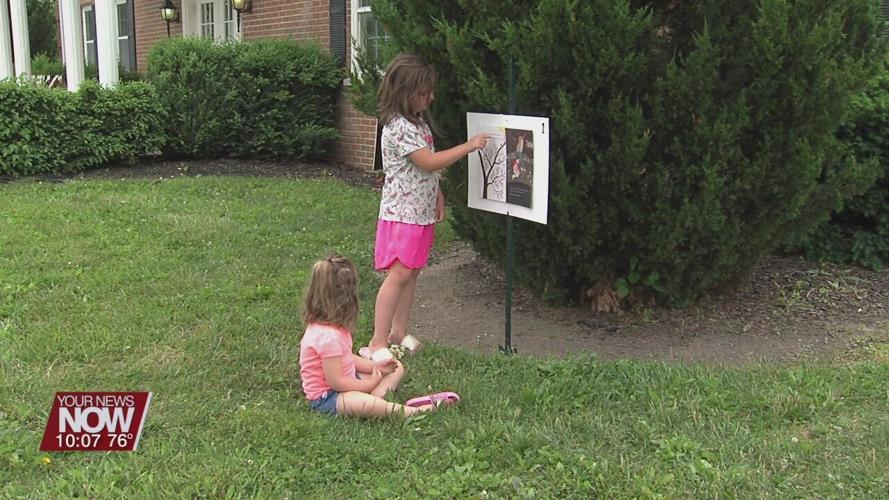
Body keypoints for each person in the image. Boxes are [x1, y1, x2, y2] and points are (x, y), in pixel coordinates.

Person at [367, 53, 489, 359]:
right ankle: (377, 342)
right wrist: (469, 146)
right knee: (399, 274)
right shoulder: (398, 127)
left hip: (419, 213)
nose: (431, 97)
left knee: (413, 272)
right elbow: (429, 161)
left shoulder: (417, 122)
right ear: (406, 92)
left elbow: (425, 170)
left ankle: (398, 331)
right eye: (425, 93)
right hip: (403, 214)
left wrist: (437, 193)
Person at [299, 254, 457, 417]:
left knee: (396, 369)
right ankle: (411, 411)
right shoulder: (328, 337)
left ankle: (375, 403)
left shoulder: (334, 328)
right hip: (329, 397)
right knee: (364, 402)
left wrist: (377, 367)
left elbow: (348, 359)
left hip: (350, 381)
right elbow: (336, 382)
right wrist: (369, 384)